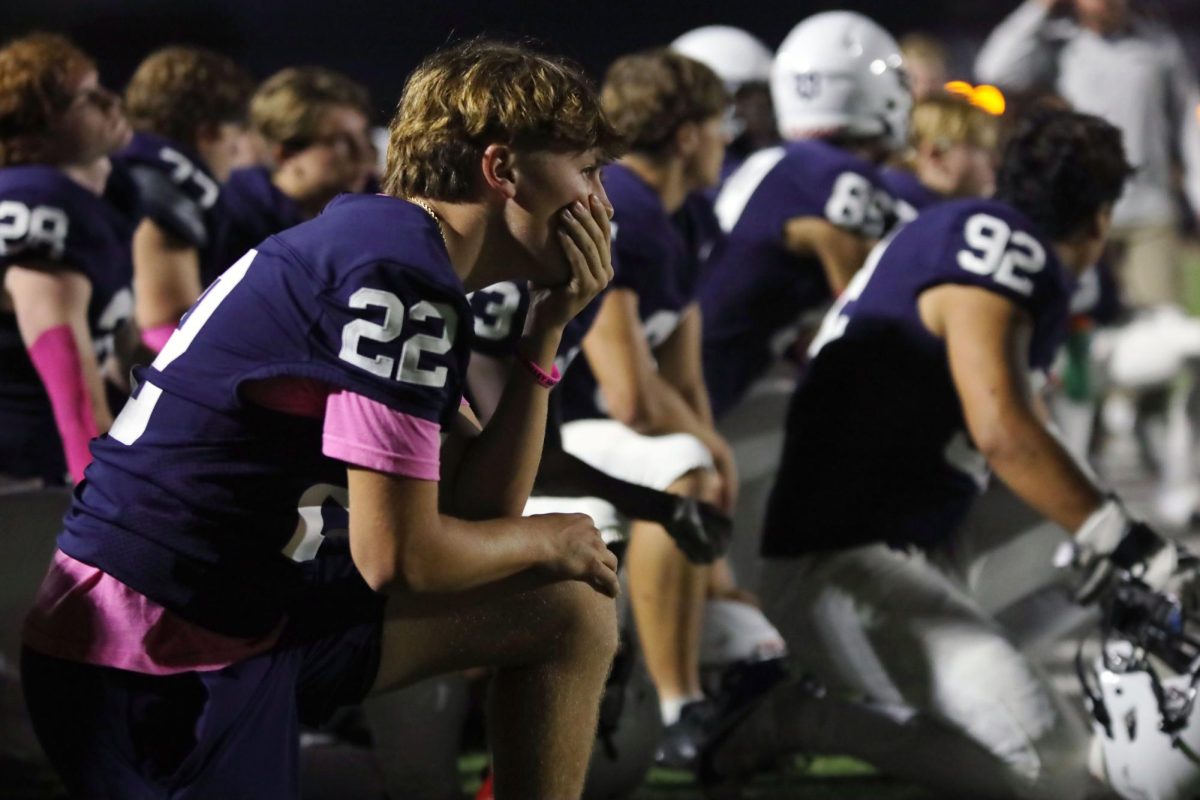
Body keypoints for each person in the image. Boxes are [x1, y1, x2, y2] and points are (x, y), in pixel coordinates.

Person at [20, 39, 626, 800]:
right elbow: (400, 558)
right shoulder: (398, 277)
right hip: (154, 657)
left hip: (235, 611)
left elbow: (474, 512)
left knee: (562, 604)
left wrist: (544, 335)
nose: (602, 203)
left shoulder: (390, 247)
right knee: (558, 569)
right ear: (503, 169)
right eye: (588, 170)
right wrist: (555, 533)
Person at [708, 108, 1171, 800]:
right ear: (1100, 220)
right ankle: (799, 718)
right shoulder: (1001, 248)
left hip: (905, 543)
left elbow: (1032, 459)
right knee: (1060, 773)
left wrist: (1125, 557)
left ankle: (960, 683)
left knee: (1075, 519)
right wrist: (1136, 552)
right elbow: (1004, 433)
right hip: (838, 566)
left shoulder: (972, 233)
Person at [555, 48, 749, 768]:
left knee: (698, 454)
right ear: (689, 134)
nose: (728, 138)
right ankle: (679, 704)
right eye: (718, 123)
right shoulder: (624, 207)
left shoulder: (690, 214)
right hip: (556, 429)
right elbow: (631, 393)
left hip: (608, 428)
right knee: (686, 460)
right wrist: (710, 451)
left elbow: (682, 374)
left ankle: (687, 668)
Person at [700, 10, 909, 420]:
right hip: (705, 398)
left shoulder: (773, 163)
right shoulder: (837, 175)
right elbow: (869, 307)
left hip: (693, 371)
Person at [976, 0, 1200, 312]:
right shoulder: (1059, 43)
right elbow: (995, 69)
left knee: (1159, 326)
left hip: (1149, 211)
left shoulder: (1159, 46)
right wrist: (1040, 8)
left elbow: (1188, 126)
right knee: (1083, 324)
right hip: (1081, 209)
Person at [0, 33, 135, 487]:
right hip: (23, 475)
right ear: (38, 128)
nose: (111, 101)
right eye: (88, 98)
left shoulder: (92, 204)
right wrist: (102, 500)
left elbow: (121, 354)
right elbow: (70, 383)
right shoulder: (39, 197)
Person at [117, 46, 254, 349]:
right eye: (237, 132)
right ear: (209, 132)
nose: (237, 150)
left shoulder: (133, 165)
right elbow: (163, 325)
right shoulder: (165, 187)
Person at [210, 66, 375, 271]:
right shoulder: (230, 220)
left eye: (364, 136)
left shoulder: (374, 207)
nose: (364, 153)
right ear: (285, 154)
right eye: (340, 142)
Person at [882, 91, 999, 222]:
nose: (996, 161)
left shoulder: (890, 201)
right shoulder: (898, 218)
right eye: (981, 149)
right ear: (935, 155)